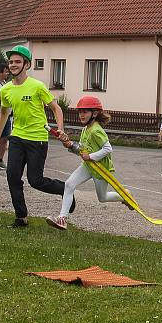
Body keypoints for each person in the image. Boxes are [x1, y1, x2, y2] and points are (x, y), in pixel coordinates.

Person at [0, 45, 69, 228]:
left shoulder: (37, 86)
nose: (13, 65)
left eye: (17, 62)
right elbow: (4, 113)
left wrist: (60, 128)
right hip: (17, 137)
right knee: (12, 176)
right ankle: (21, 217)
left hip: (37, 139)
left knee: (35, 181)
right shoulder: (7, 89)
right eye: (11, 62)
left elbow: (56, 108)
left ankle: (65, 190)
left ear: (26, 64)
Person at [46, 96, 128, 231]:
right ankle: (62, 219)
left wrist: (91, 156)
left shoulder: (96, 130)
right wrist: (69, 145)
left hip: (101, 169)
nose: (81, 115)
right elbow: (82, 150)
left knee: (102, 197)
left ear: (94, 114)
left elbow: (108, 149)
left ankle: (124, 195)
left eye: (85, 112)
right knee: (68, 185)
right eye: (80, 112)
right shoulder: (85, 129)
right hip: (88, 166)